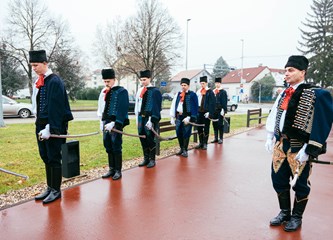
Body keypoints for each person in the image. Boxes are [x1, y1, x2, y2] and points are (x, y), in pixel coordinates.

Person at [265, 55, 333, 232]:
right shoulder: (283, 93)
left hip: (299, 147)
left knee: (300, 184)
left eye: (291, 70)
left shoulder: (317, 93)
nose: (286, 74)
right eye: (285, 70)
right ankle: (285, 212)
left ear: (302, 72)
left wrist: (310, 149)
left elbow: (322, 123)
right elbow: (274, 115)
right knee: (278, 179)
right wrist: (269, 135)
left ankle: (297, 217)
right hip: (281, 145)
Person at [30, 50, 73, 204]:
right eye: (32, 65)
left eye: (36, 65)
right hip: (41, 125)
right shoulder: (40, 81)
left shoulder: (55, 81)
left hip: (53, 126)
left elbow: (57, 108)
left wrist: (50, 128)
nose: (33, 68)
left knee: (54, 157)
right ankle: (49, 187)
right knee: (45, 156)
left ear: (45, 63)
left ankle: (56, 190)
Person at [97, 68, 129, 180]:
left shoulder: (122, 91)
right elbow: (100, 107)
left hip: (116, 123)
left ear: (114, 80)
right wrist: (101, 122)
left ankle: (118, 170)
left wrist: (115, 123)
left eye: (108, 81)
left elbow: (123, 109)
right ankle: (111, 169)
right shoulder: (104, 91)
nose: (106, 83)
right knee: (108, 144)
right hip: (106, 122)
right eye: (105, 81)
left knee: (116, 145)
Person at [135, 70, 162, 168]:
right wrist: (137, 118)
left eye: (145, 80)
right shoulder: (139, 90)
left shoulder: (155, 91)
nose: (143, 82)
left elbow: (157, 107)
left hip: (149, 118)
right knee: (142, 137)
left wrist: (151, 120)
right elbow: (137, 105)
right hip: (140, 117)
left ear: (149, 79)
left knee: (150, 138)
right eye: (141, 80)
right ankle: (145, 158)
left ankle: (152, 159)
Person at [170, 78, 198, 157]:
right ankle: (181, 148)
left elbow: (195, 107)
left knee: (186, 133)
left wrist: (189, 117)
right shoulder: (178, 94)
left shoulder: (192, 94)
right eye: (182, 85)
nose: (183, 87)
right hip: (179, 116)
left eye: (185, 85)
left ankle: (185, 150)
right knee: (179, 133)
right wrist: (172, 116)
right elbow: (173, 105)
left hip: (187, 117)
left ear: (188, 86)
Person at [195, 76, 216, 150]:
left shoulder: (210, 92)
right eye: (201, 83)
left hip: (206, 113)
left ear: (206, 83)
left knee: (206, 128)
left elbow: (213, 103)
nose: (202, 85)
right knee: (199, 128)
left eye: (203, 83)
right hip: (199, 112)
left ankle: (205, 143)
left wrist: (209, 112)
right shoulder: (198, 91)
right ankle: (200, 142)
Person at [211, 77, 228, 144]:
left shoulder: (223, 92)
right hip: (214, 110)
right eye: (216, 83)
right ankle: (215, 138)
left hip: (220, 110)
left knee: (220, 124)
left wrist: (224, 110)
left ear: (220, 83)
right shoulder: (213, 91)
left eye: (218, 83)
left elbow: (224, 101)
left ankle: (221, 138)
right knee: (214, 124)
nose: (217, 84)